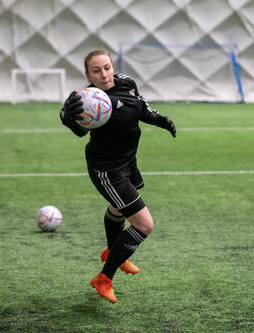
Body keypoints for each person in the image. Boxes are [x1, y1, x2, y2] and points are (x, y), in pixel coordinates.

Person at [60, 49, 176, 304]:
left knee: (118, 208)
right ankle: (104, 278)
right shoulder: (88, 99)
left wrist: (161, 120)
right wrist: (67, 118)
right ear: (88, 74)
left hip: (128, 161)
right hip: (107, 170)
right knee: (144, 224)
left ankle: (114, 252)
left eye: (107, 67)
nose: (104, 74)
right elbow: (77, 126)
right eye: (96, 70)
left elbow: (142, 108)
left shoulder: (127, 83)